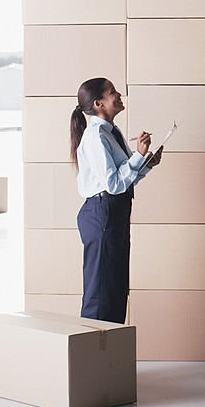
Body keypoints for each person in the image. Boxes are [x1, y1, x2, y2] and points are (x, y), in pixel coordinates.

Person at [70, 77, 162, 323]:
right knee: (100, 291)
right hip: (102, 212)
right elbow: (113, 183)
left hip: (115, 211)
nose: (118, 94)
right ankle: (91, 355)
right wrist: (138, 156)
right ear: (99, 103)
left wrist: (145, 162)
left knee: (116, 286)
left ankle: (110, 355)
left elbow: (124, 178)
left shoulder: (112, 133)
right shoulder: (95, 137)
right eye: (112, 92)